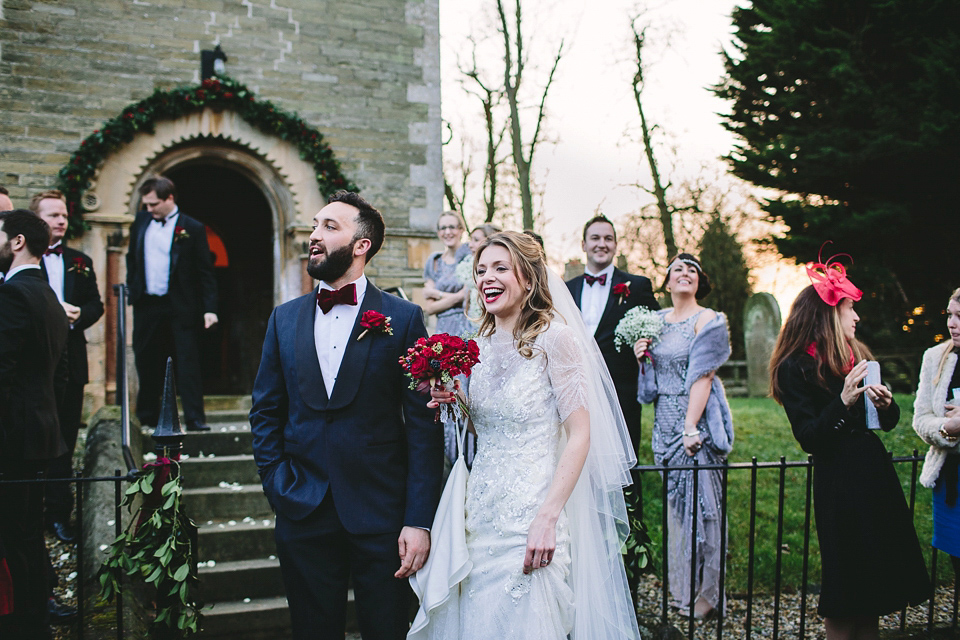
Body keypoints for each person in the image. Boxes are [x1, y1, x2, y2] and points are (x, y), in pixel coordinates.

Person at [414, 231, 641, 639]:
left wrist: (548, 518)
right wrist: (455, 400)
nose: (487, 278)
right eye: (481, 270)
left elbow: (580, 434)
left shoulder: (557, 338)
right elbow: (486, 427)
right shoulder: (476, 346)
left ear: (530, 279)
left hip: (530, 518)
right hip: (478, 517)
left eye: (501, 268)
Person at [249, 191, 443, 640]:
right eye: (315, 225)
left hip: (383, 517)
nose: (314, 236)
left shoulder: (404, 317)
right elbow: (265, 412)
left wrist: (419, 520)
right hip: (303, 509)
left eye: (329, 227)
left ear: (361, 245)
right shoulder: (284, 319)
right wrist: (277, 483)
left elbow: (422, 428)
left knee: (387, 631)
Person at [770, 257, 929, 640]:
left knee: (873, 583)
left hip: (873, 475)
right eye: (849, 308)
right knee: (846, 582)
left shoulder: (856, 355)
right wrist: (841, 402)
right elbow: (809, 436)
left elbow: (887, 424)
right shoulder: (795, 367)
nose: (856, 316)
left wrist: (886, 405)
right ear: (828, 315)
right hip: (839, 483)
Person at [634, 253, 733, 619]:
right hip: (664, 420)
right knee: (678, 510)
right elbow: (649, 386)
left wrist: (691, 426)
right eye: (678, 268)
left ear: (699, 280)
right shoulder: (654, 321)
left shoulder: (708, 320)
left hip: (697, 421)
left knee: (704, 508)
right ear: (668, 280)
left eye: (692, 269)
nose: (685, 273)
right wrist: (641, 355)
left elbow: (703, 375)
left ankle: (707, 595)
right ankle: (684, 588)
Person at [0, 210, 69, 639]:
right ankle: (35, 623)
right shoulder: (46, 293)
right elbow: (58, 376)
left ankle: (22, 625)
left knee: (14, 538)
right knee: (26, 535)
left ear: (18, 241)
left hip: (11, 438)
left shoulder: (12, 295)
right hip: (40, 433)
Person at [29, 190, 104, 543]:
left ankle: (59, 514)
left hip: (72, 364)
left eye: (63, 215)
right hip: (35, 367)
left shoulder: (80, 260)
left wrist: (77, 317)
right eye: (52, 215)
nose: (61, 220)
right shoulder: (21, 260)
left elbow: (96, 305)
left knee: (65, 443)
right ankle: (29, 511)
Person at [126, 176, 218, 432]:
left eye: (153, 204)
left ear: (169, 199)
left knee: (187, 361)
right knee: (146, 359)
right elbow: (132, 259)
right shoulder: (141, 222)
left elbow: (205, 272)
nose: (149, 209)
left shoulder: (193, 228)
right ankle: (146, 416)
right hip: (147, 304)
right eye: (145, 204)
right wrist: (133, 289)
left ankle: (195, 419)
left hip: (181, 305)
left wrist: (210, 308)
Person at [566, 215, 659, 449]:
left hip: (622, 392)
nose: (602, 244)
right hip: (576, 391)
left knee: (625, 460)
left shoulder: (637, 286)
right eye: (595, 238)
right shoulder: (567, 289)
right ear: (584, 245)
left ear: (616, 245)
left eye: (608, 239)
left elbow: (657, 327)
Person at [912, 287, 960, 578]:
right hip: (951, 477)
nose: (952, 323)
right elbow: (921, 418)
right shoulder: (935, 357)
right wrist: (946, 428)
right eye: (950, 315)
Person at [421, 211, 472, 338]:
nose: (447, 232)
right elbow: (430, 308)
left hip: (467, 327)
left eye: (452, 227)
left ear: (461, 230)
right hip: (442, 330)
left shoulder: (471, 258)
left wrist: (437, 294)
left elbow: (466, 296)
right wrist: (457, 297)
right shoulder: (434, 261)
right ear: (438, 233)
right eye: (443, 228)